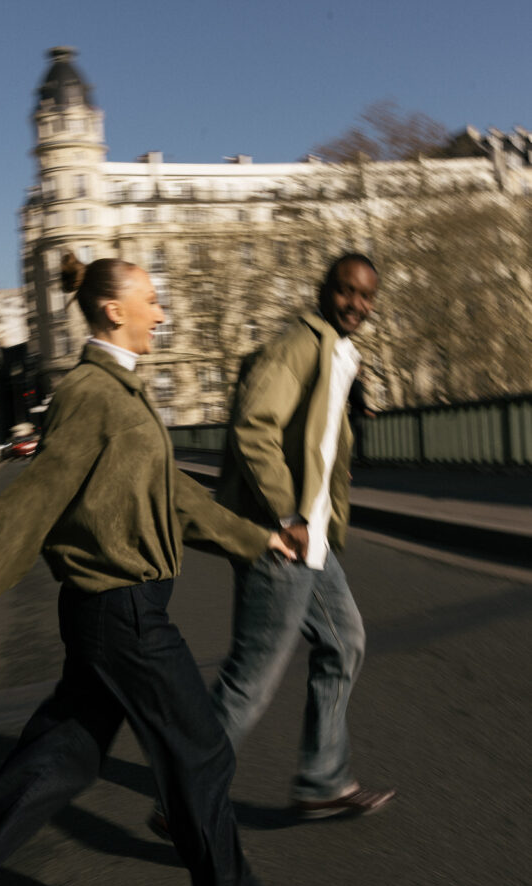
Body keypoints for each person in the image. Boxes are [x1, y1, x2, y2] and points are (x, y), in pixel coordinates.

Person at [0, 257, 316, 886]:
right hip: (122, 611)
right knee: (200, 752)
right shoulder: (90, 395)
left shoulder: (123, 390)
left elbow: (172, 498)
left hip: (116, 612)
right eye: (151, 301)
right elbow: (35, 499)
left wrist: (258, 539)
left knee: (62, 758)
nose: (161, 313)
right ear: (113, 312)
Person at [150, 254, 395, 838]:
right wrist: (288, 511)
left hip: (311, 537)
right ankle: (181, 799)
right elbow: (254, 425)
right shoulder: (297, 346)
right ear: (324, 290)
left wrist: (326, 486)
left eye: (366, 296)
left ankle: (322, 781)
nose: (356, 304)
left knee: (345, 643)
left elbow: (317, 437)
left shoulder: (338, 351)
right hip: (281, 536)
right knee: (252, 677)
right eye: (346, 291)